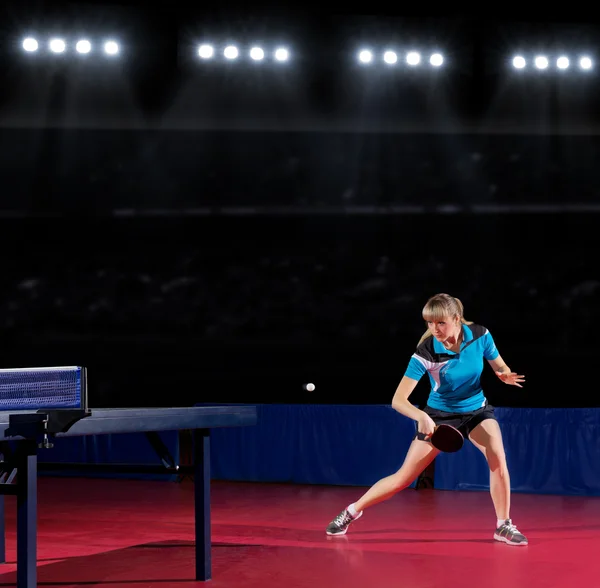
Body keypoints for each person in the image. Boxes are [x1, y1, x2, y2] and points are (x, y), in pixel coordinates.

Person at [325, 293, 528, 546]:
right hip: (439, 416)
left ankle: (503, 525)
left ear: (456, 319)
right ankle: (352, 511)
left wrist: (504, 374)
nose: (434, 329)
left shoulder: (480, 335)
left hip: (477, 410)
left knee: (498, 457)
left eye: (440, 323)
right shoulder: (427, 352)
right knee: (403, 478)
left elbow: (499, 366)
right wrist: (421, 416)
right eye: (429, 323)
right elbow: (398, 400)